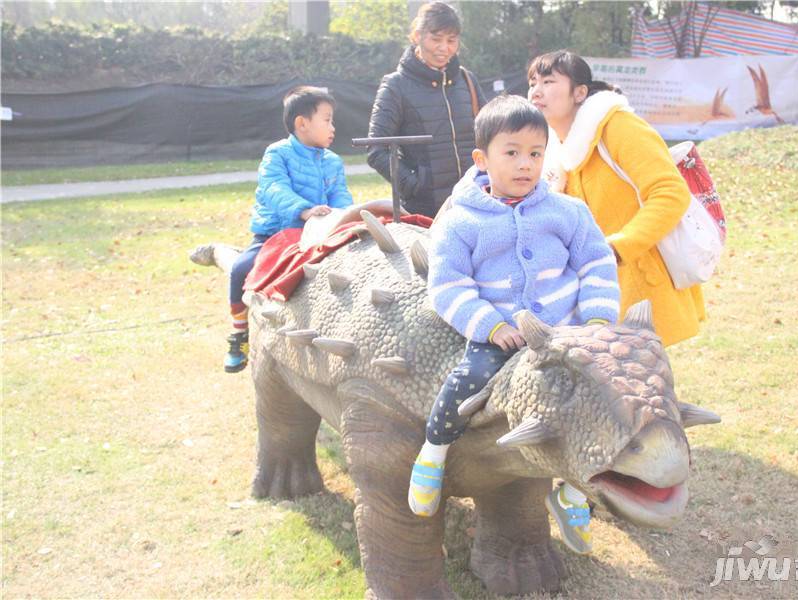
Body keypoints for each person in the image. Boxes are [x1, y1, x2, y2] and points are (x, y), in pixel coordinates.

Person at [406, 95, 621, 556]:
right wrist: (488, 325)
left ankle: (575, 491)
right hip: (503, 336)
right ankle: (434, 451)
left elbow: (597, 264)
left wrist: (598, 318)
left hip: (567, 331)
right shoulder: (461, 221)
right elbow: (447, 286)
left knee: (597, 402)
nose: (526, 164)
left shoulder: (568, 212)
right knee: (468, 380)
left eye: (536, 153)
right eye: (512, 152)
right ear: (482, 159)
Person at [527, 50, 704, 348]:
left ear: (580, 92)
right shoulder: (552, 146)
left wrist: (618, 248)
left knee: (642, 384)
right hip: (588, 292)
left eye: (548, 81)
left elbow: (670, 192)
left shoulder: (618, 126)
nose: (536, 91)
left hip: (638, 287)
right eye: (532, 82)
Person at [223, 86, 352, 373]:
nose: (333, 127)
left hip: (319, 234)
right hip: (277, 234)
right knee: (241, 268)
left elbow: (340, 196)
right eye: (327, 120)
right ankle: (238, 332)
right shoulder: (277, 154)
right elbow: (273, 188)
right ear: (301, 124)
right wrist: (303, 210)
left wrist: (344, 216)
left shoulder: (332, 161)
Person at [366, 1, 486, 218]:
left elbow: (491, 134)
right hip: (425, 210)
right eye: (436, 39)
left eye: (451, 40)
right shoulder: (395, 86)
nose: (444, 47)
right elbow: (377, 150)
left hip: (475, 201)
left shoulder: (467, 80)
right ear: (416, 36)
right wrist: (414, 185)